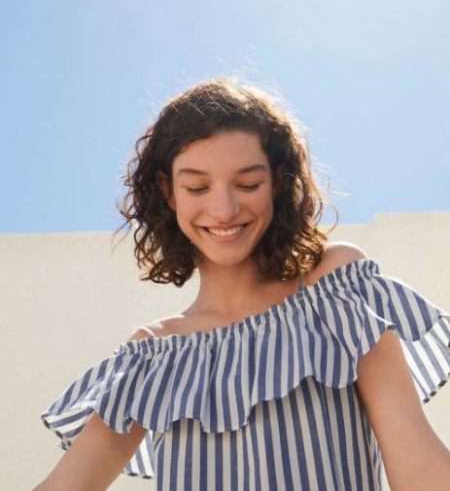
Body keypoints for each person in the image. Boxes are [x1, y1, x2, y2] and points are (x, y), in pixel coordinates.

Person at [34, 76, 450, 491]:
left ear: (278, 181)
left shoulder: (335, 290)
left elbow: (418, 467)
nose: (223, 209)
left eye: (247, 184)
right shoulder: (153, 356)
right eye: (197, 187)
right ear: (169, 192)